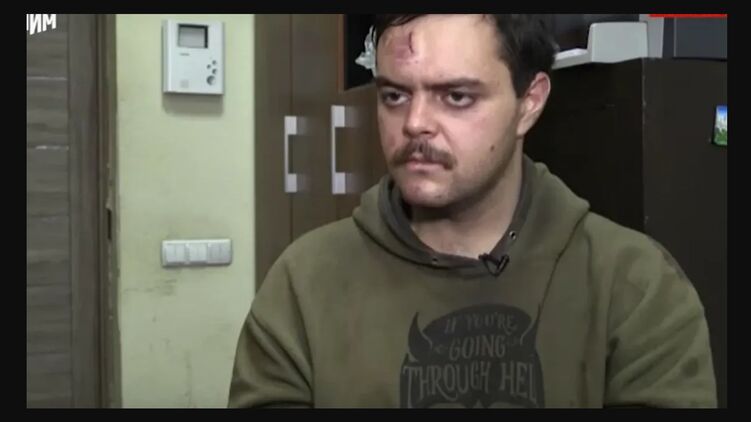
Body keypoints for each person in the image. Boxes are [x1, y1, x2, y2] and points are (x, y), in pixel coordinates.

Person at [228, 14, 717, 408]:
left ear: (530, 103)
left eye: (456, 96)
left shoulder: (635, 287)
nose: (415, 123)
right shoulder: (303, 284)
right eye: (395, 95)